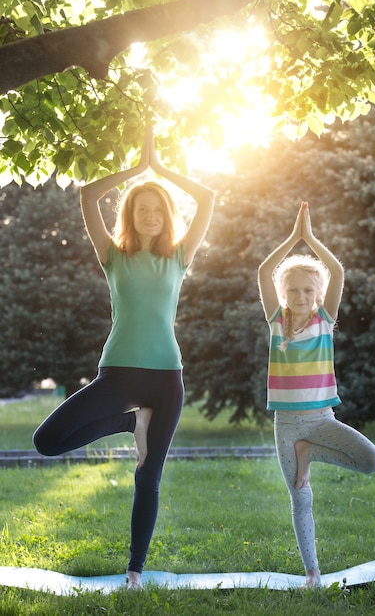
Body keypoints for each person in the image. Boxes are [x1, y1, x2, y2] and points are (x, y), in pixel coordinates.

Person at [33, 126, 215, 590]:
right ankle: (128, 424)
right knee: (47, 441)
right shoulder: (113, 255)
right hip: (118, 375)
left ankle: (135, 571)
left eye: (157, 208)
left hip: (166, 379)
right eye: (141, 208)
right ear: (130, 216)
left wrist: (163, 170)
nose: (150, 214)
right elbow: (88, 196)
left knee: (148, 477)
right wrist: (138, 168)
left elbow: (209, 199)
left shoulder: (179, 256)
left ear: (167, 214)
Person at [258, 201, 375, 588]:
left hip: (321, 419)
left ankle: (310, 452)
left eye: (307, 289)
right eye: (292, 289)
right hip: (287, 426)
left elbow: (338, 271)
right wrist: (291, 241)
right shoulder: (276, 321)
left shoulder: (325, 319)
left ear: (318, 294)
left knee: (372, 461)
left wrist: (309, 239)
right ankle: (312, 572)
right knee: (301, 497)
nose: (299, 295)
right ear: (282, 293)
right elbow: (264, 270)